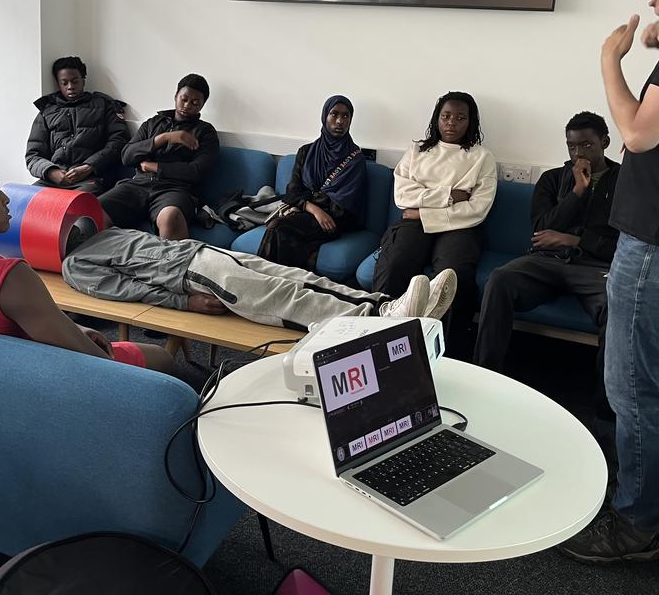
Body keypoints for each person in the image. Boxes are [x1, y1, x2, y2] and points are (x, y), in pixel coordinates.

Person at [560, 0, 659, 563]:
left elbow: (636, 133)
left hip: (649, 248)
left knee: (630, 388)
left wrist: (608, 60)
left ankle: (636, 526)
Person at [0, 147, 172, 374]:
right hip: (36, 378)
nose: (6, 198)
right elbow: (96, 365)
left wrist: (75, 327)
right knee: (162, 358)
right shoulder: (9, 278)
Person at [473, 112, 619, 455]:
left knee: (618, 306)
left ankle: (605, 414)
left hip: (595, 267)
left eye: (587, 143)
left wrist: (572, 240)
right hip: (546, 262)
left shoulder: (625, 181)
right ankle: (484, 380)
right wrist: (577, 193)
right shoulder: (553, 180)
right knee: (500, 280)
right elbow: (540, 232)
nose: (579, 152)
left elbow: (620, 241)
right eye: (572, 145)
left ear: (605, 142)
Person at [64, 227, 458, 331]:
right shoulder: (74, 264)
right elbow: (124, 290)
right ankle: (377, 322)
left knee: (297, 277)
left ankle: (387, 307)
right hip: (190, 276)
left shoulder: (101, 229)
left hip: (199, 251)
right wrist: (183, 302)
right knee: (282, 297)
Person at [372, 92, 496, 352]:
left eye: (460, 118)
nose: (452, 123)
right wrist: (449, 196)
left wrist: (422, 212)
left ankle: (443, 348)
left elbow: (477, 209)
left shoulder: (481, 157)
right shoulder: (417, 151)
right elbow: (402, 195)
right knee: (396, 262)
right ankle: (380, 335)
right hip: (420, 223)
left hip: (460, 228)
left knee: (452, 275)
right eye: (446, 116)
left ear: (470, 122)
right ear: (436, 119)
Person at [99, 73, 219, 240]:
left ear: (202, 105)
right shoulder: (153, 123)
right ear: (176, 96)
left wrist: (153, 166)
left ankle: (171, 265)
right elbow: (126, 156)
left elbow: (198, 171)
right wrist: (164, 138)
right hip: (138, 185)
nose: (187, 105)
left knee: (171, 217)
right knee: (94, 210)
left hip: (176, 190)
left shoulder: (206, 132)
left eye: (195, 102)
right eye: (183, 99)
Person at [258, 95, 367, 271]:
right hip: (310, 213)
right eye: (334, 114)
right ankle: (270, 281)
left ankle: (264, 281)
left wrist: (308, 204)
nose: (340, 121)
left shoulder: (355, 159)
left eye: (345, 116)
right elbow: (292, 191)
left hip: (335, 219)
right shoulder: (306, 152)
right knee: (279, 229)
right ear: (325, 116)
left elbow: (344, 205)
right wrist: (312, 208)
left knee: (278, 228)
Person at [25, 56, 129, 194]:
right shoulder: (46, 112)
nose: (70, 87)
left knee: (76, 204)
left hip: (91, 178)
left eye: (75, 81)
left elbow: (119, 141)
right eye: (64, 83)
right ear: (58, 84)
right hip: (52, 180)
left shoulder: (103, 105)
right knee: (25, 200)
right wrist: (51, 172)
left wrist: (89, 166)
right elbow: (33, 154)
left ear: (83, 80)